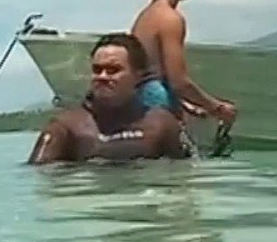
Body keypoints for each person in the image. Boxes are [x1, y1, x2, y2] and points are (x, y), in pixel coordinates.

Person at [28, 33, 191, 164]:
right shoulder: (65, 128)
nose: (102, 77)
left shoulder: (161, 124)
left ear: (138, 75)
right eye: (97, 70)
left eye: (113, 70)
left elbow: (185, 177)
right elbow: (38, 182)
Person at [130, 0, 237, 124]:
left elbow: (149, 74)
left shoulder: (144, 17)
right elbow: (179, 81)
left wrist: (187, 104)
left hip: (139, 102)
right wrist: (217, 108)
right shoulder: (171, 19)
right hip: (158, 105)